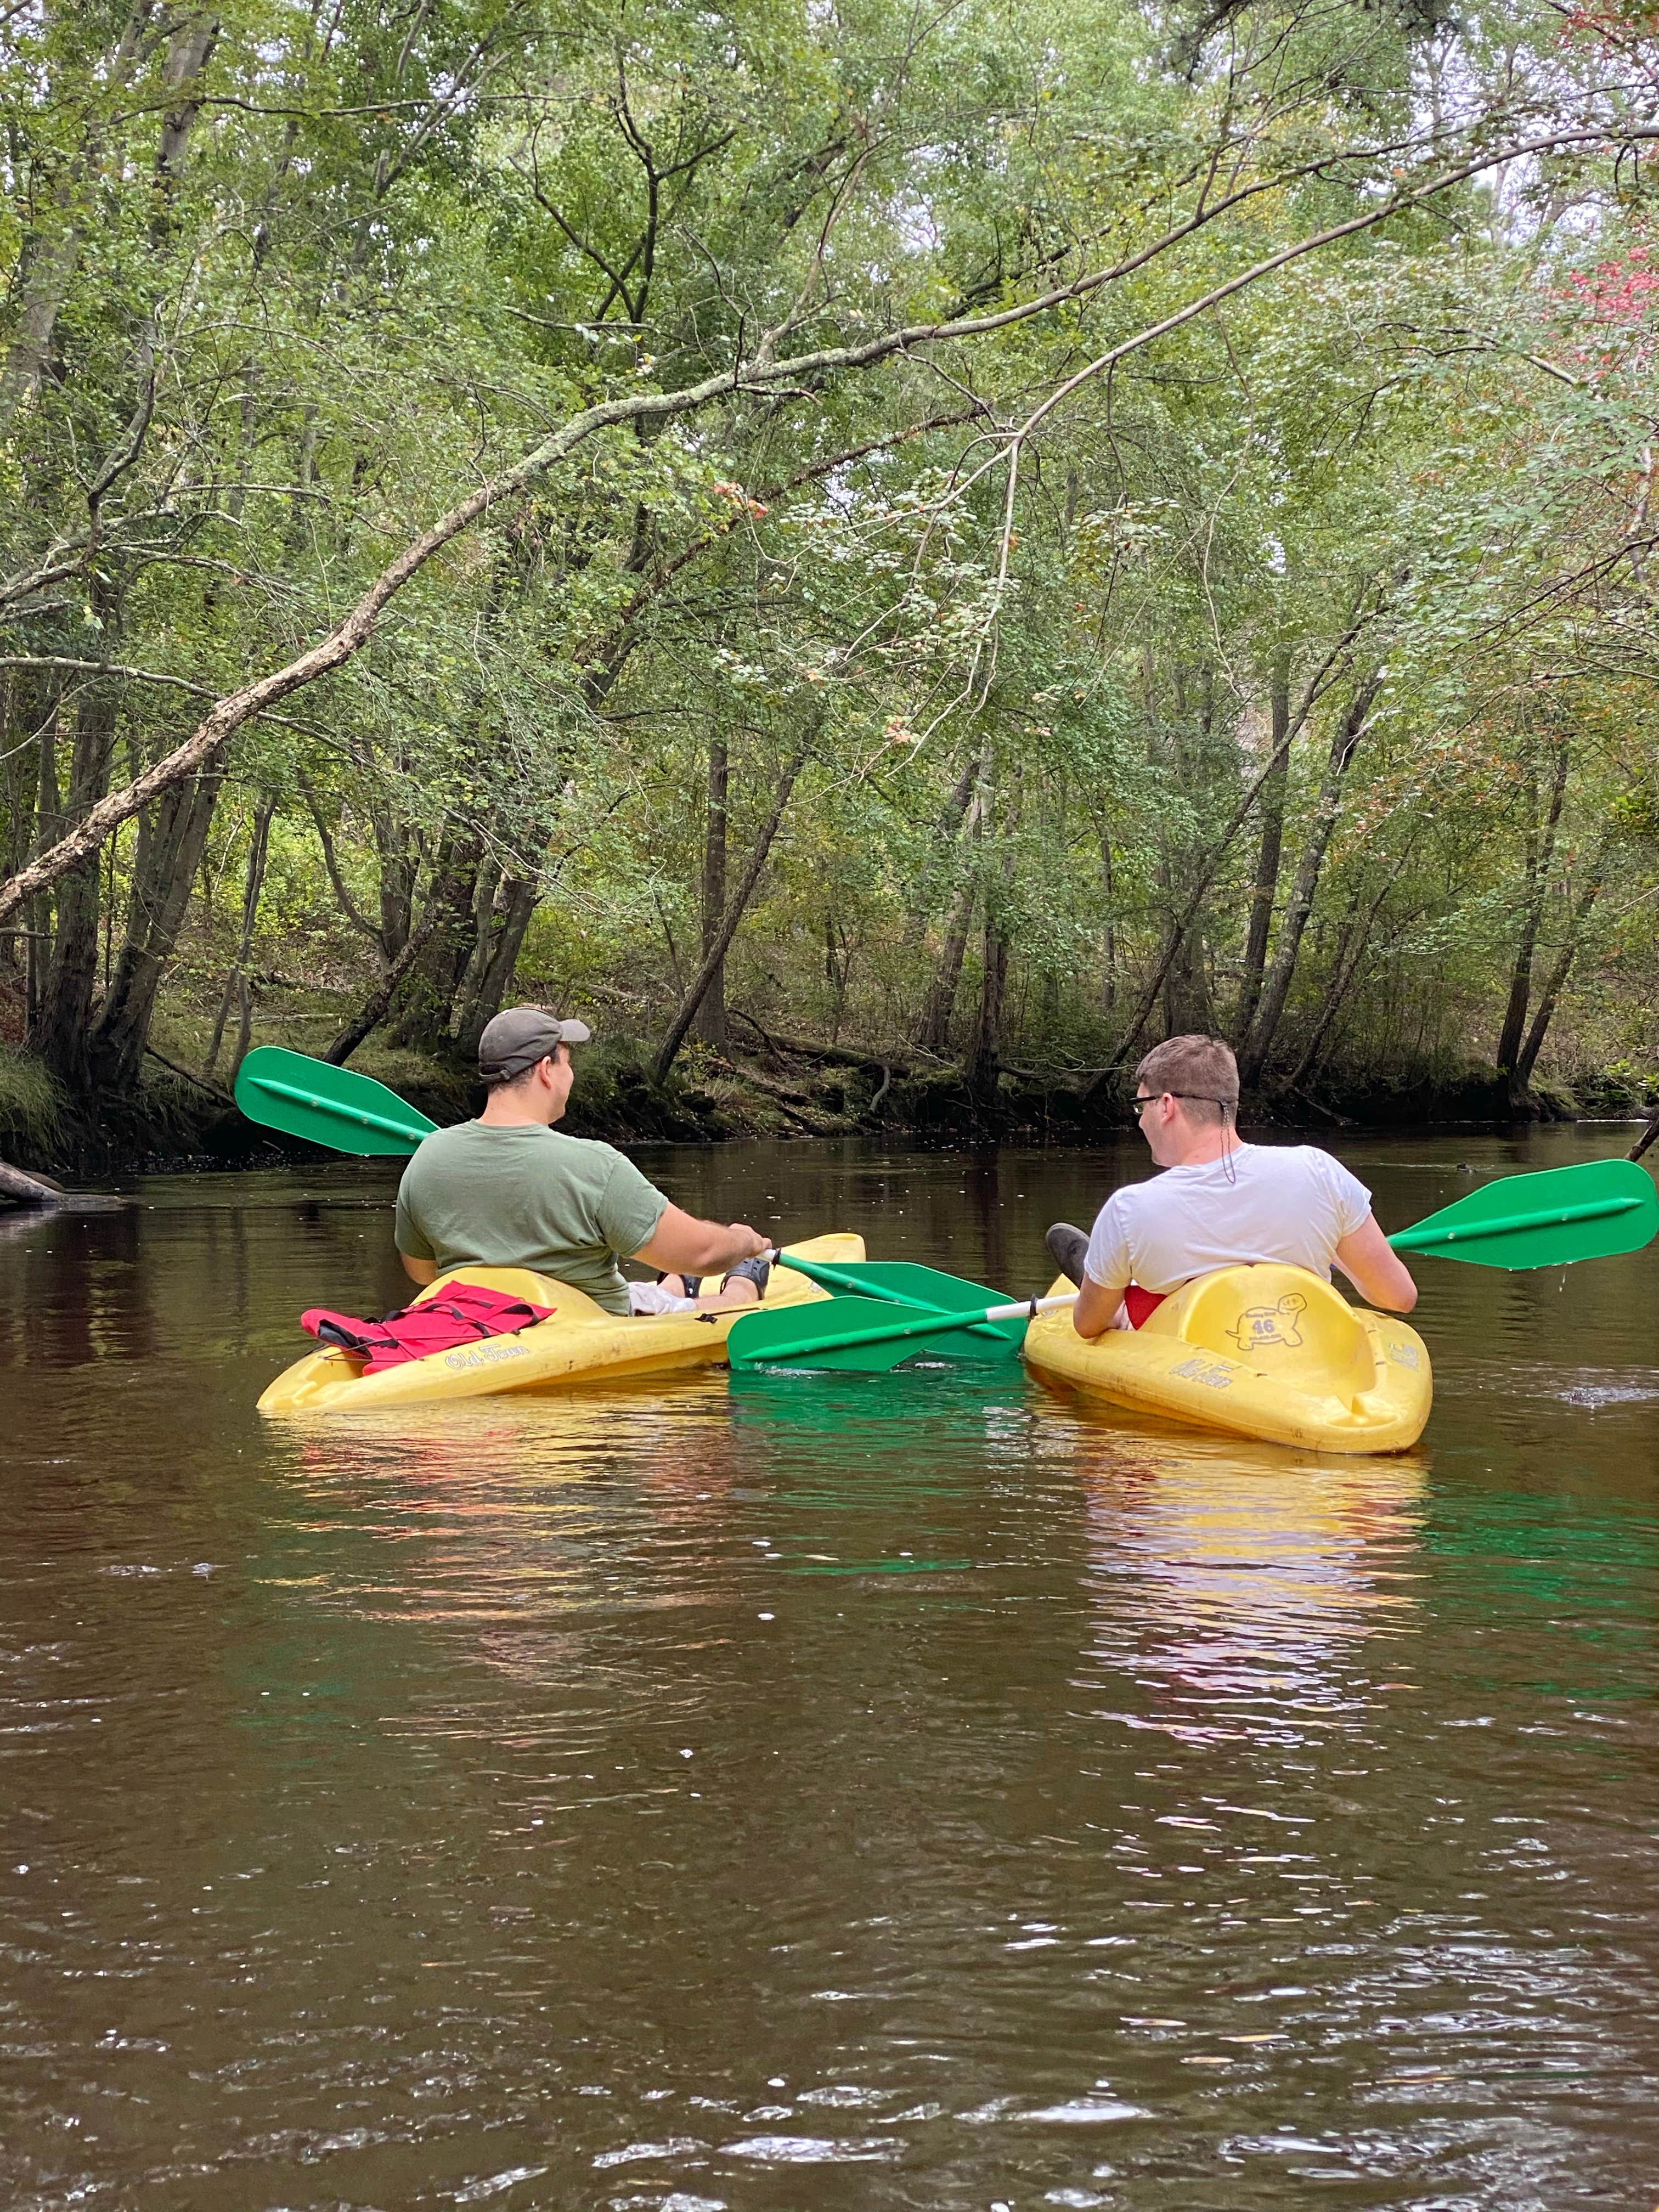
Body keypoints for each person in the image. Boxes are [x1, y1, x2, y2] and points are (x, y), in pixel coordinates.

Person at [394, 1006, 771, 1317]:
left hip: (474, 1325)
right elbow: (702, 1254)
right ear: (546, 1070)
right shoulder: (593, 1164)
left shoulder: (429, 1154)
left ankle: (674, 1282)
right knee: (734, 1300)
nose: (570, 1075)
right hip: (586, 1325)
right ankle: (743, 1281)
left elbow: (424, 1273)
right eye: (567, 1064)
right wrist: (744, 1241)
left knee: (653, 1290)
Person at [1046, 1032, 1417, 1338]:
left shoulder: (1129, 1209)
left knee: (1122, 1309)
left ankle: (1110, 1287)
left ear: (1166, 1106)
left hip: (1196, 1371)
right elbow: (1398, 1296)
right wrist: (1332, 1244)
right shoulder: (1320, 1171)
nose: (1140, 1121)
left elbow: (1085, 1326)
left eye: (1141, 1106)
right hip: (1303, 1357)